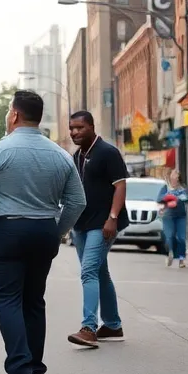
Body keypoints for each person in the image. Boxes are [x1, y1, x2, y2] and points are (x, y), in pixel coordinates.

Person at [0, 91, 86, 374]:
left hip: (6, 231)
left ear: (14, 115)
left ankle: (19, 371)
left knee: (8, 300)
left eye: (9, 111)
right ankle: (35, 370)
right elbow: (77, 201)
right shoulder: (60, 155)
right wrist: (57, 231)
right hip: (44, 230)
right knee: (34, 301)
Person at [67, 110, 128, 348]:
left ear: (91, 126)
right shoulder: (77, 156)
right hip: (81, 224)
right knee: (100, 273)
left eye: (79, 128)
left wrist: (112, 217)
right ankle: (112, 325)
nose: (74, 132)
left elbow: (120, 186)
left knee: (88, 272)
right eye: (72, 128)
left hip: (102, 224)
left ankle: (89, 328)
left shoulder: (108, 152)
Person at [157, 169, 188, 268]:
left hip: (181, 216)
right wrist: (168, 197)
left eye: (177, 174)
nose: (176, 175)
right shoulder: (165, 187)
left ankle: (181, 259)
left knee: (181, 237)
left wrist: (178, 198)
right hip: (168, 216)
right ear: (170, 176)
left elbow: (187, 198)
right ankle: (170, 253)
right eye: (174, 173)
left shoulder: (183, 188)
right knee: (170, 236)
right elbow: (159, 199)